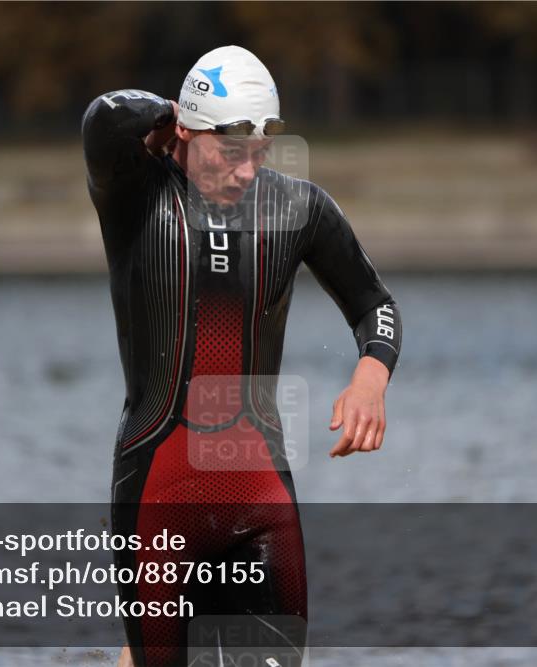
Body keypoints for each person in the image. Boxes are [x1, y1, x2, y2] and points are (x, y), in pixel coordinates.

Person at [81, 45, 402, 667]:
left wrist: (370, 378)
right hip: (158, 496)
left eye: (259, 154)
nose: (246, 171)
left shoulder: (298, 208)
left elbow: (374, 304)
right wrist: (174, 109)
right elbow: (103, 117)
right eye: (230, 152)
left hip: (259, 499)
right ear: (183, 131)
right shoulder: (133, 195)